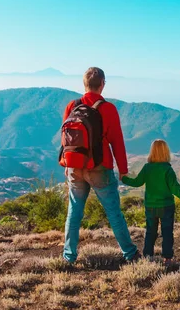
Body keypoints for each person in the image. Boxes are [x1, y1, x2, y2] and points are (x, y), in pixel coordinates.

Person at [61, 67, 139, 264]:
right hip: (99, 167)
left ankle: (69, 256)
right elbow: (117, 142)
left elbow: (66, 139)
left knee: (74, 210)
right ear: (102, 84)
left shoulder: (72, 106)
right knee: (113, 211)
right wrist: (123, 169)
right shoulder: (108, 109)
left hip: (74, 166)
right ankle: (129, 253)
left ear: (84, 84)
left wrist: (67, 165)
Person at [121, 139, 180, 265]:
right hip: (166, 206)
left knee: (150, 232)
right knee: (167, 232)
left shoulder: (147, 168)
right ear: (166, 152)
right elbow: (176, 190)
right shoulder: (168, 170)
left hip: (150, 206)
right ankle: (167, 258)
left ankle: (147, 257)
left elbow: (136, 182)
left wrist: (124, 179)